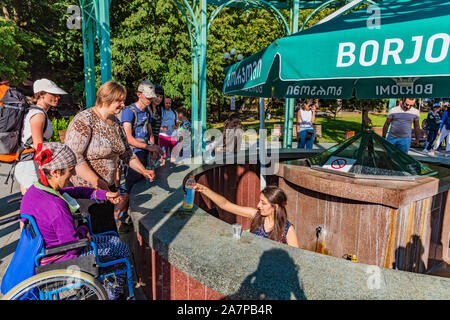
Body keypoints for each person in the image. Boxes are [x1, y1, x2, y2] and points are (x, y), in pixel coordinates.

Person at [20, 142, 130, 300]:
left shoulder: (36, 191)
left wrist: (103, 194)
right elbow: (72, 247)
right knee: (121, 249)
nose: (72, 176)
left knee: (112, 239)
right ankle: (111, 295)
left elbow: (74, 191)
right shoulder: (56, 207)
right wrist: (84, 230)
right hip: (62, 257)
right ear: (56, 172)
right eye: (70, 172)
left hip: (46, 252)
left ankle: (107, 287)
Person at [64, 81, 155, 233]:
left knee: (108, 231)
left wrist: (143, 170)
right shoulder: (85, 120)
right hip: (88, 191)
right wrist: (97, 181)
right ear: (106, 99)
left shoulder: (115, 122)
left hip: (107, 189)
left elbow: (126, 152)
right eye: (119, 100)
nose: (123, 104)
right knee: (95, 232)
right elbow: (75, 157)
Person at [194, 184, 299, 248]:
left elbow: (296, 258)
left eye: (263, 203)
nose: (258, 205)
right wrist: (202, 189)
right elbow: (225, 204)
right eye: (259, 201)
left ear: (275, 207)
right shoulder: (256, 215)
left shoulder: (287, 230)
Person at [120, 81, 163, 226]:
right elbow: (128, 138)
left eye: (152, 97)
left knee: (141, 186)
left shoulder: (147, 111)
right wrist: (148, 147)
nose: (150, 100)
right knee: (129, 189)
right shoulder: (129, 111)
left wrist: (153, 147)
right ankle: (120, 217)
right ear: (139, 94)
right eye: (147, 97)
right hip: (133, 155)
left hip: (144, 154)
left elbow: (149, 132)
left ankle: (134, 218)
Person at [14, 78, 67, 195]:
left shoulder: (36, 112)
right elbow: (39, 146)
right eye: (53, 94)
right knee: (38, 200)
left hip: (27, 163)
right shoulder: (38, 115)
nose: (57, 97)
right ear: (41, 94)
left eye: (58, 95)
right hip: (30, 164)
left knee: (32, 201)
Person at [158, 96, 178, 161]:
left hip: (173, 136)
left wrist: (176, 127)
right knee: (163, 155)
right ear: (163, 103)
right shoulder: (160, 111)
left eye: (169, 103)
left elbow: (177, 123)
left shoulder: (174, 112)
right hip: (163, 136)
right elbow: (154, 123)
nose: (168, 105)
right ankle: (162, 167)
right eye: (166, 103)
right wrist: (161, 127)